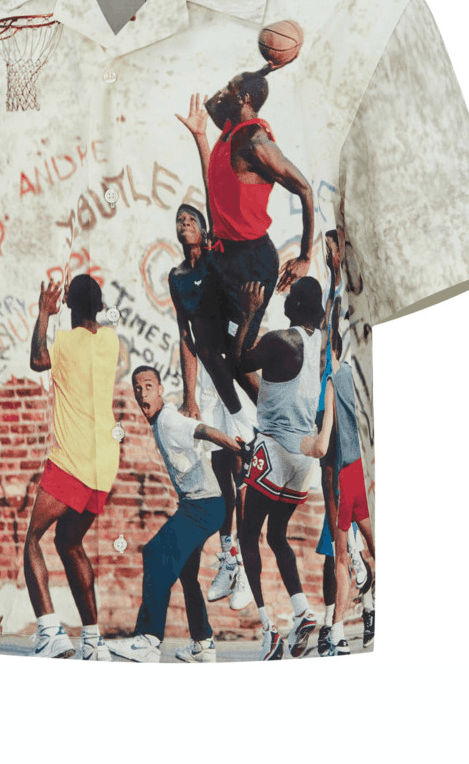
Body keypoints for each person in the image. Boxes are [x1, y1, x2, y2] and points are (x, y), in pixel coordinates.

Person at [107, 367, 244, 664]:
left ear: (160, 390)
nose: (142, 392)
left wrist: (235, 447)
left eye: (148, 386)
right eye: (137, 388)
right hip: (200, 505)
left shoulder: (168, 420)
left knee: (156, 552)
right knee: (187, 574)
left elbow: (202, 430)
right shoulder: (161, 420)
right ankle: (203, 644)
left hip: (203, 505)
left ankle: (148, 639)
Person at [176, 78, 314, 360]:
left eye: (230, 86)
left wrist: (305, 256)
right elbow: (211, 106)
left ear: (244, 99)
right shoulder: (229, 131)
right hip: (224, 255)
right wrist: (200, 136)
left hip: (251, 262)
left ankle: (285, 372)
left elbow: (305, 189)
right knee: (207, 340)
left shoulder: (257, 143)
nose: (222, 91)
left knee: (237, 354)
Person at [232, 276, 331, 659]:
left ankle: (268, 629)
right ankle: (303, 610)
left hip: (275, 447)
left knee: (247, 534)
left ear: (297, 305)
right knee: (277, 536)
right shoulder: (320, 343)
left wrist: (247, 314)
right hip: (303, 459)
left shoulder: (281, 340)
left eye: (289, 297)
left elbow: (239, 363)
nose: (284, 300)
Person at [24, 273, 120, 660]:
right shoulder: (111, 341)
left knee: (33, 539)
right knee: (69, 543)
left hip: (71, 460)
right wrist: (69, 305)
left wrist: (44, 314)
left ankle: (50, 633)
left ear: (69, 305)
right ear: (99, 306)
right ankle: (93, 642)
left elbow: (37, 360)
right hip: (104, 465)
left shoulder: (65, 343)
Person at [168, 202, 254, 610]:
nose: (185, 224)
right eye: (180, 221)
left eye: (191, 220)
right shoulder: (177, 277)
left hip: (230, 369)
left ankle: (245, 563)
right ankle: (229, 557)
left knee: (242, 466)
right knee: (221, 472)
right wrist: (189, 395)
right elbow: (185, 336)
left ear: (204, 230)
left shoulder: (217, 261)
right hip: (206, 381)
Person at [317, 327, 375, 654]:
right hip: (353, 472)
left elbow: (324, 448)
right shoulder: (345, 378)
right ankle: (344, 623)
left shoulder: (333, 381)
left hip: (346, 475)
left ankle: (341, 626)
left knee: (341, 554)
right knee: (344, 553)